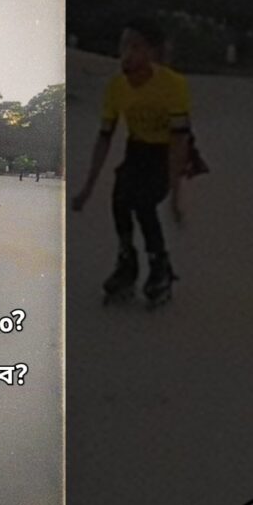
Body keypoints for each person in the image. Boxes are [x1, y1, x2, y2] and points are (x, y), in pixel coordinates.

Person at [71, 18, 191, 304]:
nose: (127, 53)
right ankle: (127, 264)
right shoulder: (117, 87)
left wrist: (176, 194)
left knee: (144, 203)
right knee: (120, 202)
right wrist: (87, 188)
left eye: (135, 47)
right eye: (124, 46)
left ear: (151, 52)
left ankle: (159, 266)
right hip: (136, 150)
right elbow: (105, 137)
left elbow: (179, 141)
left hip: (164, 154)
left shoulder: (172, 85)